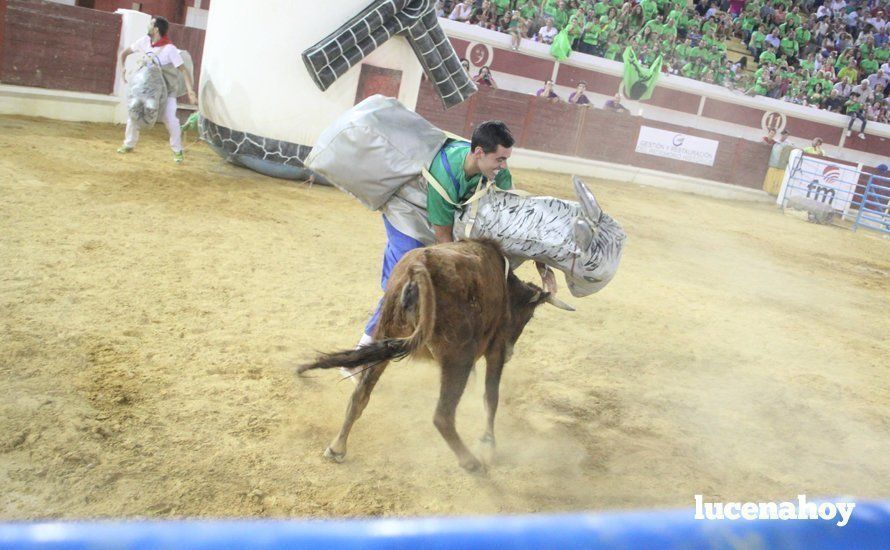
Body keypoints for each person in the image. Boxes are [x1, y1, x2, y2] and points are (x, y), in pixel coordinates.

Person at [352, 121, 557, 379]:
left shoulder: (498, 173)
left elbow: (515, 222)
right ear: (479, 153)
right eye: (500, 159)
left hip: (442, 215)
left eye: (506, 159)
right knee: (401, 285)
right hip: (407, 211)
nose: (503, 166)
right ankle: (359, 356)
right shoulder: (444, 176)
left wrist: (541, 260)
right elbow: (444, 243)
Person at [117, 16, 197, 163]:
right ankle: (128, 144)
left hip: (167, 91)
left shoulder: (170, 49)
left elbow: (183, 70)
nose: (148, 26)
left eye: (151, 24)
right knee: (134, 112)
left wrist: (190, 91)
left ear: (156, 29)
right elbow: (124, 53)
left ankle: (177, 150)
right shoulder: (144, 42)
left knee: (170, 119)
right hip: (146, 90)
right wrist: (122, 69)